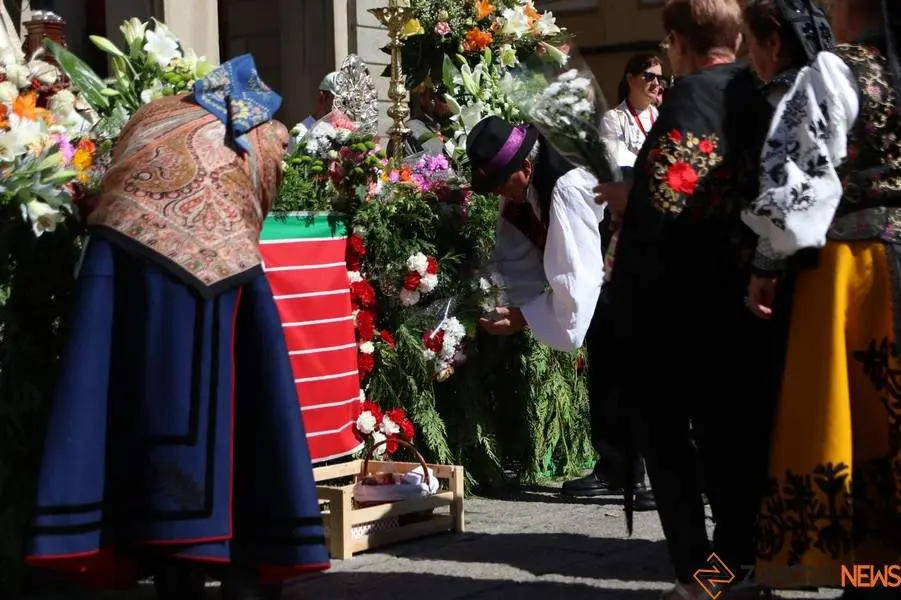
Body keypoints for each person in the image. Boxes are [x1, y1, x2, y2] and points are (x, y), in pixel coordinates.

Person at [24, 55, 330, 600]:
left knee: (145, 402)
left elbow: (110, 186)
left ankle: (174, 562)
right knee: (240, 415)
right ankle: (236, 556)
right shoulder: (262, 133)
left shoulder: (151, 115)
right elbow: (258, 198)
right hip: (222, 271)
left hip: (123, 264)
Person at [606, 1, 778, 598]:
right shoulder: (760, 92)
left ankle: (701, 580)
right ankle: (742, 569)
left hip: (681, 310)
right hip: (750, 300)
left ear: (677, 41)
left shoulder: (689, 99)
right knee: (738, 445)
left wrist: (625, 201)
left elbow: (670, 204)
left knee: (669, 443)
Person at [742, 0, 901, 595]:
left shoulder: (836, 73)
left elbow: (796, 179)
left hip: (854, 273)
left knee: (855, 425)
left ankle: (870, 575)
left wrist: (765, 262)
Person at [561, 52, 664, 511]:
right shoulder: (614, 121)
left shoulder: (666, 117)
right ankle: (619, 466)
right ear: (629, 79)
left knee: (637, 362)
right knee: (611, 357)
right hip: (616, 242)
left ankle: (640, 472)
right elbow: (613, 171)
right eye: (650, 77)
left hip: (650, 250)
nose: (658, 85)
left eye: (664, 78)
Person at [468, 116, 604, 352]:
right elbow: (516, 256)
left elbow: (577, 285)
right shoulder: (520, 187)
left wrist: (524, 316)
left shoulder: (565, 188)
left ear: (525, 168)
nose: (498, 193)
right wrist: (492, 299)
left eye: (500, 184)